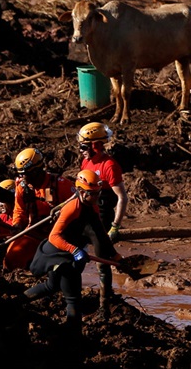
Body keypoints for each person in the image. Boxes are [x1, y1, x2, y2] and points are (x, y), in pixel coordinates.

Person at [25, 170, 121, 336]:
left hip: (70, 254)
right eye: (93, 194)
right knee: (73, 298)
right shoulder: (72, 207)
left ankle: (19, 300)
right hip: (58, 253)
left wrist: (117, 257)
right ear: (82, 193)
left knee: (52, 286)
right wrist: (74, 250)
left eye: (99, 193)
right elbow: (53, 236)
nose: (98, 196)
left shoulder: (92, 207)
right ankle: (73, 335)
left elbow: (100, 235)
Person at [77, 121, 129, 317]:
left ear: (95, 145)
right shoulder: (86, 163)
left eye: (83, 146)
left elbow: (122, 197)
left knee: (102, 262)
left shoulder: (110, 165)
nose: (81, 151)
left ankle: (104, 306)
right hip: (86, 217)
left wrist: (115, 226)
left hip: (102, 222)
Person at [4, 148, 75, 270]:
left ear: (37, 171)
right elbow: (19, 211)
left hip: (60, 234)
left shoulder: (62, 185)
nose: (23, 178)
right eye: (21, 174)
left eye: (26, 174)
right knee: (11, 258)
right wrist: (17, 225)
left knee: (57, 267)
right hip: (34, 231)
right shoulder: (22, 188)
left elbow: (77, 207)